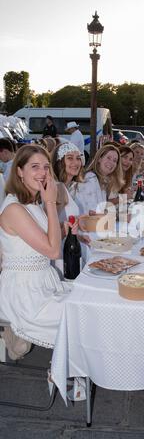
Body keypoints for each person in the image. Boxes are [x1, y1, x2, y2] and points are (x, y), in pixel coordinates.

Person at [0, 144, 70, 357]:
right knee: (80, 316)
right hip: (24, 292)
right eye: (35, 167)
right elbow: (53, 251)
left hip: (44, 282)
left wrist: (65, 229)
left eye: (46, 167)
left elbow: (47, 241)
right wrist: (50, 201)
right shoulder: (14, 208)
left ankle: (70, 369)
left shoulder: (32, 203)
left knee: (89, 301)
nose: (42, 173)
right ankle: (64, 371)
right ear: (19, 171)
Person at [75, 144, 124, 215]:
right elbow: (94, 212)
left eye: (114, 160)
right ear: (99, 159)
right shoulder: (90, 178)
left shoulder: (102, 181)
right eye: (108, 158)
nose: (111, 162)